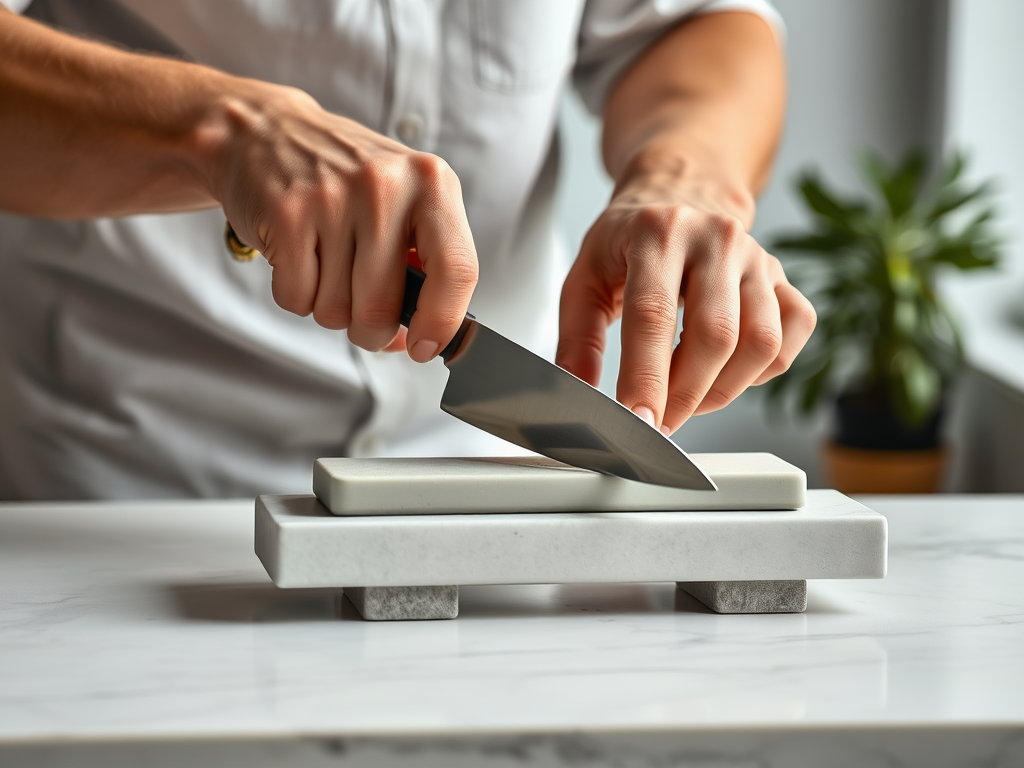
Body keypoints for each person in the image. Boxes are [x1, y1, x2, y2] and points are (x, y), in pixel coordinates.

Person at [0, 0, 815, 499]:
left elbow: (689, 22)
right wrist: (218, 130)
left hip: (485, 496)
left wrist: (686, 178)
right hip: (121, 489)